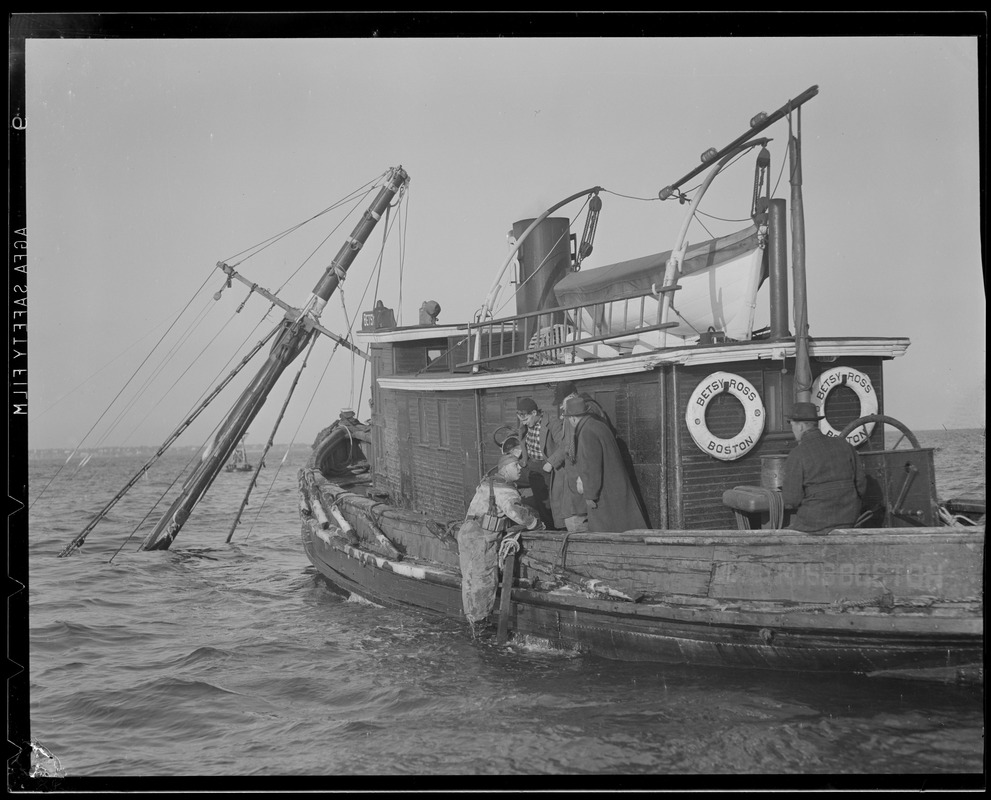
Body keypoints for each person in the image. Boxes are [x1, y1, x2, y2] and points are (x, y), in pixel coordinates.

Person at [457, 453, 543, 626]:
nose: (520, 468)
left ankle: (471, 620)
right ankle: (480, 623)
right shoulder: (506, 489)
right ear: (505, 469)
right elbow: (514, 512)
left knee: (469, 578)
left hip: (466, 532)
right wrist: (535, 524)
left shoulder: (487, 483)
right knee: (484, 579)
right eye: (515, 466)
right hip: (483, 537)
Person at [562, 394, 648, 533]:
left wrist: (590, 496)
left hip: (605, 494)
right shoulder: (598, 425)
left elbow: (591, 468)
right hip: (616, 489)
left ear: (572, 418)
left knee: (606, 534)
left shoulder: (586, 432)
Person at [781, 401, 866, 534]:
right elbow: (861, 486)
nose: (793, 431)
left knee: (786, 533)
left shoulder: (797, 454)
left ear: (801, 426)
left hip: (814, 524)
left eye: (792, 426)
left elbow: (791, 499)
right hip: (848, 519)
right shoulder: (844, 445)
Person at [515, 397, 567, 529]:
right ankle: (547, 529)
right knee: (540, 503)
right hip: (533, 466)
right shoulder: (526, 423)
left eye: (526, 420)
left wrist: (551, 462)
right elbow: (522, 440)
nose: (524, 423)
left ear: (534, 413)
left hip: (548, 468)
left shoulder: (553, 423)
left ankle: (557, 531)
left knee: (551, 504)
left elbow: (565, 445)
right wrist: (523, 459)